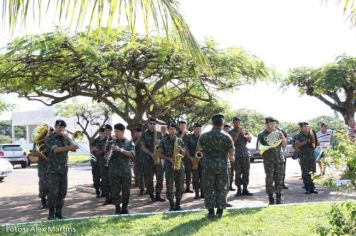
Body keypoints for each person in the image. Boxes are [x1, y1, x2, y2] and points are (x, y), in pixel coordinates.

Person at [198, 114, 235, 219]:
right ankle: (219, 212)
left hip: (208, 166)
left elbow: (199, 149)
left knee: (208, 188)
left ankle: (210, 212)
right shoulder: (227, 137)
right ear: (223, 124)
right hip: (222, 167)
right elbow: (232, 156)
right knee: (222, 188)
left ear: (212, 124)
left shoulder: (204, 136)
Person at [45, 120, 79, 220]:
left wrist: (74, 143)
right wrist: (69, 147)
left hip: (63, 170)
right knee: (53, 193)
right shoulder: (49, 137)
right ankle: (51, 214)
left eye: (63, 127)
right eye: (60, 127)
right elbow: (55, 150)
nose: (61, 129)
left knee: (62, 192)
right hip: (53, 170)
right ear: (55, 127)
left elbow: (73, 149)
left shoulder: (65, 137)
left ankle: (59, 213)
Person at [257, 117, 287, 205]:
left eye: (274, 123)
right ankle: (271, 198)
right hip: (268, 160)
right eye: (271, 124)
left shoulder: (279, 133)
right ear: (266, 124)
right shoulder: (262, 135)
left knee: (279, 179)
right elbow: (259, 148)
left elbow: (284, 144)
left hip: (279, 159)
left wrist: (283, 136)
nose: (273, 125)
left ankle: (279, 198)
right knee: (269, 179)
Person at [107, 123, 135, 214]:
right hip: (114, 172)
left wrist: (120, 150)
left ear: (123, 132)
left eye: (117, 131)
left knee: (126, 191)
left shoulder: (129, 142)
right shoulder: (111, 142)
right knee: (115, 191)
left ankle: (125, 208)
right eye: (114, 131)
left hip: (125, 171)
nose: (115, 133)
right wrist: (109, 152)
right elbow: (106, 156)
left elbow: (132, 154)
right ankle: (117, 208)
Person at [159, 123, 186, 211]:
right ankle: (171, 205)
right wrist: (169, 159)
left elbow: (184, 153)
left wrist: (180, 149)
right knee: (169, 185)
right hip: (169, 166)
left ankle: (178, 205)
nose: (173, 130)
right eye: (171, 129)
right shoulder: (163, 141)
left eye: (174, 129)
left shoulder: (179, 140)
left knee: (180, 186)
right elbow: (159, 154)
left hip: (179, 165)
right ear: (168, 130)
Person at [141, 118, 166, 202]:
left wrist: (160, 143)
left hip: (158, 159)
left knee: (160, 178)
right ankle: (152, 196)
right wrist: (151, 154)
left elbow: (163, 146)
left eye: (154, 124)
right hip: (148, 160)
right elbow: (143, 147)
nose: (152, 125)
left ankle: (158, 194)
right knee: (149, 179)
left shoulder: (159, 134)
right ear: (148, 124)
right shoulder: (144, 134)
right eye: (150, 123)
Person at [229, 117, 253, 196]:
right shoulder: (231, 132)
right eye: (235, 122)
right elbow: (232, 142)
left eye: (238, 122)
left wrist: (245, 135)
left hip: (245, 154)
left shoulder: (245, 130)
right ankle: (239, 189)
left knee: (246, 172)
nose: (237, 124)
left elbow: (249, 140)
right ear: (233, 123)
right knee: (238, 172)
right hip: (237, 154)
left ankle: (245, 189)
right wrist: (238, 133)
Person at [293, 122, 318, 194]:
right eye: (305, 126)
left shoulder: (312, 134)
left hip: (312, 156)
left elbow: (315, 144)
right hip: (304, 157)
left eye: (307, 126)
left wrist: (314, 138)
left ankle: (313, 187)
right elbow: (296, 145)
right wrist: (306, 141)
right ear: (301, 128)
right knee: (305, 173)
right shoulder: (298, 136)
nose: (307, 128)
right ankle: (307, 188)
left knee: (313, 172)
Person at [32, 127, 53, 209]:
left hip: (53, 165)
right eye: (47, 133)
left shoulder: (53, 140)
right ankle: (43, 202)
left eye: (50, 133)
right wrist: (42, 153)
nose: (49, 134)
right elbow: (34, 153)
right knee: (43, 184)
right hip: (43, 167)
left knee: (52, 184)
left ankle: (51, 201)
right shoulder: (38, 141)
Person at [186, 123, 203, 199]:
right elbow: (186, 149)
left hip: (203, 160)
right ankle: (196, 194)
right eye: (197, 128)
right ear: (194, 129)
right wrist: (190, 158)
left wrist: (202, 149)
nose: (198, 130)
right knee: (195, 178)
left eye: (199, 129)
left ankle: (203, 193)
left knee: (203, 177)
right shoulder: (189, 137)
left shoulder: (203, 137)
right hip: (193, 160)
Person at [177, 120, 193, 193]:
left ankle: (188, 187)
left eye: (184, 125)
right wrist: (183, 134)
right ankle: (181, 187)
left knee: (188, 172)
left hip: (188, 156)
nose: (183, 127)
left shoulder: (189, 134)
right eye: (181, 125)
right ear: (179, 126)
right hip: (180, 156)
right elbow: (177, 142)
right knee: (181, 172)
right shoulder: (177, 133)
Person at [90, 128, 105, 198]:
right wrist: (101, 149)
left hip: (103, 162)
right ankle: (97, 192)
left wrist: (98, 149)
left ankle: (103, 191)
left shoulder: (106, 140)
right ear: (99, 132)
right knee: (96, 178)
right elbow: (92, 149)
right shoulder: (95, 140)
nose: (102, 134)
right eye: (101, 132)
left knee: (104, 177)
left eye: (103, 132)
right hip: (95, 162)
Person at [101, 124, 114, 205]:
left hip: (112, 164)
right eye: (106, 130)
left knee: (112, 182)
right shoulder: (101, 140)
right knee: (105, 181)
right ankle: (107, 198)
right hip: (104, 163)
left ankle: (113, 198)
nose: (107, 132)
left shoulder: (114, 139)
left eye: (108, 130)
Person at [276, 120, 289, 189]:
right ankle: (275, 184)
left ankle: (282, 183)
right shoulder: (269, 132)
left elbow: (286, 141)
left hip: (282, 153)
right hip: (273, 154)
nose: (274, 125)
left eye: (275, 123)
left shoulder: (282, 131)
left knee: (282, 170)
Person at [133, 126, 145, 195]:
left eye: (138, 132)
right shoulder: (133, 140)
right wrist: (138, 140)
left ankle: (148, 189)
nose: (137, 133)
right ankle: (142, 189)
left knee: (147, 174)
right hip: (137, 160)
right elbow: (132, 146)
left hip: (145, 159)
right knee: (139, 174)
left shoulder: (144, 139)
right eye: (136, 132)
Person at [224, 124, 235, 191]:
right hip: (225, 158)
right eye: (226, 129)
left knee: (231, 173)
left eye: (228, 129)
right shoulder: (222, 136)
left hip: (231, 157)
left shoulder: (229, 136)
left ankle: (230, 185)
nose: (227, 130)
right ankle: (226, 187)